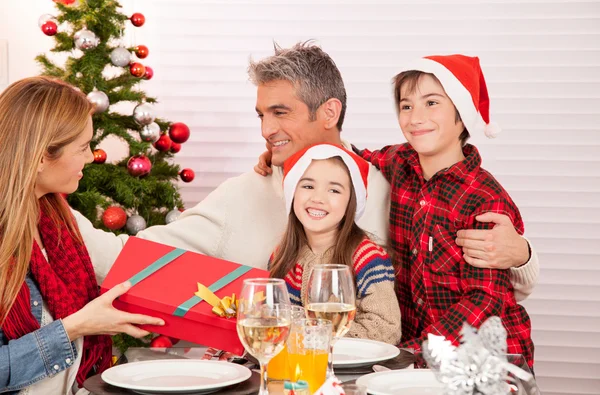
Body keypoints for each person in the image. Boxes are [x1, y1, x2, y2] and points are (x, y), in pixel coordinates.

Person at [74, 42, 538, 301]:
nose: (267, 130)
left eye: (281, 113)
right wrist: (45, 200)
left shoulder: (396, 178)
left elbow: (492, 288)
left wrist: (521, 254)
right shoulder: (248, 191)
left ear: (329, 111)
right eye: (261, 116)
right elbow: (128, 258)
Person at [354, 55, 534, 367]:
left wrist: (413, 355)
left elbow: (483, 301)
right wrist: (285, 157)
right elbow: (349, 156)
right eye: (406, 105)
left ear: (462, 116)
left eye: (432, 103)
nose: (414, 118)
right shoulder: (399, 162)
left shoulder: (484, 199)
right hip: (412, 355)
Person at [0, 77, 164, 395]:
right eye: (82, 147)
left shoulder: (60, 218)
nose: (90, 158)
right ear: (40, 157)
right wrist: (76, 326)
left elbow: (128, 256)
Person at [270, 144, 400, 344]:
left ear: (350, 202)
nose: (318, 198)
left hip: (353, 368)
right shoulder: (282, 256)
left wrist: (310, 332)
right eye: (308, 186)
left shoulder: (367, 257)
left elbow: (386, 330)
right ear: (292, 194)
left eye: (334, 190)